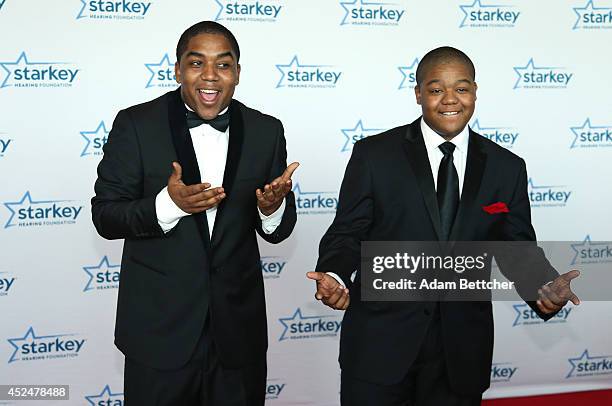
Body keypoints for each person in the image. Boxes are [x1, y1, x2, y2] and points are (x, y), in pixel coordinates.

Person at [307, 46, 579, 406]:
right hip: (380, 347)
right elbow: (347, 233)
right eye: (436, 89)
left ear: (475, 92)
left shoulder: (506, 166)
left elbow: (517, 249)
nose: (450, 99)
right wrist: (336, 275)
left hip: (461, 354)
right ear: (418, 93)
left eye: (462, 88)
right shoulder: (374, 155)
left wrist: (543, 289)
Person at [92, 21, 298, 406]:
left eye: (223, 64)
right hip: (159, 335)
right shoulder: (136, 125)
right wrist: (169, 205)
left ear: (237, 72)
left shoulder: (265, 130)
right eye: (196, 62)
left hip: (238, 337)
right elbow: (105, 215)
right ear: (177, 69)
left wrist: (270, 208)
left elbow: (278, 230)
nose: (209, 76)